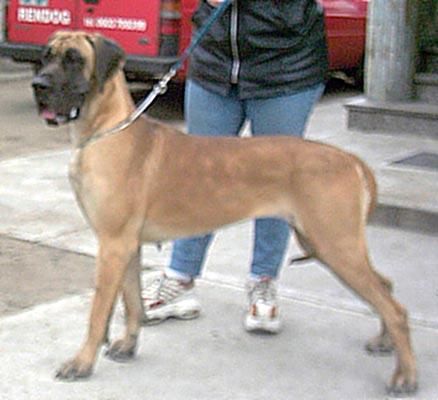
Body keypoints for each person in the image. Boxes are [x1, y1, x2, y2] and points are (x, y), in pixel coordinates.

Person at [142, 0, 328, 333]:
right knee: (198, 175)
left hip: (285, 66)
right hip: (214, 63)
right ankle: (180, 277)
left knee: (274, 181)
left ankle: (263, 281)